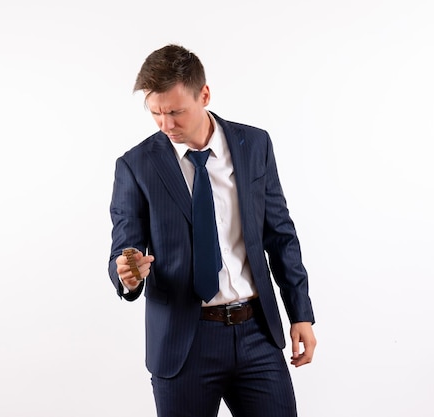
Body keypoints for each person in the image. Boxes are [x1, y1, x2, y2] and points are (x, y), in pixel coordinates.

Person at [108, 44, 316, 417]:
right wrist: (129, 274)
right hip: (183, 344)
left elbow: (280, 235)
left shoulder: (253, 144)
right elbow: (124, 248)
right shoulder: (136, 165)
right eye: (155, 113)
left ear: (204, 94)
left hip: (257, 334)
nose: (166, 125)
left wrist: (300, 313)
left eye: (175, 112)